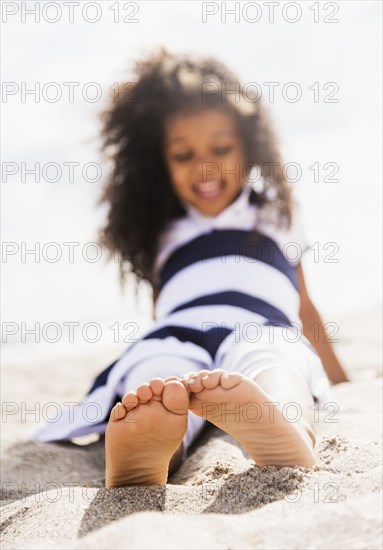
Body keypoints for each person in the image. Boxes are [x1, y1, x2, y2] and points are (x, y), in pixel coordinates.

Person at [34, 48, 349, 488]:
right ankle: (156, 450)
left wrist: (338, 375)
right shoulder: (161, 229)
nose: (205, 167)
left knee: (276, 360)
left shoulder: (275, 215)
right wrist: (159, 351)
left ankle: (287, 429)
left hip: (262, 325)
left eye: (220, 148)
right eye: (184, 156)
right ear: (160, 164)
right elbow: (162, 310)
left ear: (251, 148)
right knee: (159, 371)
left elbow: (304, 303)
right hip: (180, 330)